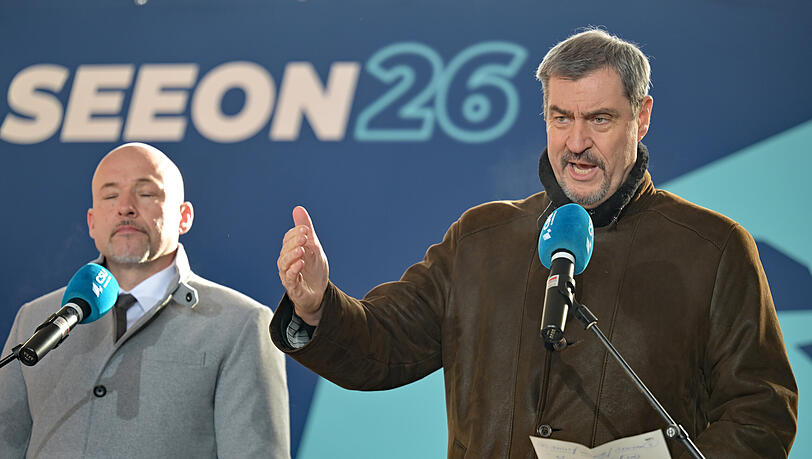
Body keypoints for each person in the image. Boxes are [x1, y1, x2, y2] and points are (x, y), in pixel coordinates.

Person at [272, 29, 798, 458]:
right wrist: (317, 305)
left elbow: (762, 413)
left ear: (642, 117)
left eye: (600, 119)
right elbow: (383, 345)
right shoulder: (482, 238)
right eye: (560, 118)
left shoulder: (714, 249)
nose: (576, 143)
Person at [0, 143, 291, 458]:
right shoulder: (35, 319)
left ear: (184, 217)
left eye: (147, 193)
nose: (125, 207)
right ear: (92, 222)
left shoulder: (241, 324)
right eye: (110, 196)